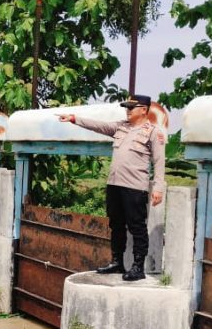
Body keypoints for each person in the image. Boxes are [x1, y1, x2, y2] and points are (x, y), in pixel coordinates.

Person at [57, 95, 165, 281]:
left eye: (132, 107)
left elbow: (159, 161)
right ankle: (117, 262)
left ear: (144, 110)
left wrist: (158, 188)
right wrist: (74, 118)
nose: (128, 110)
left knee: (137, 227)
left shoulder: (154, 132)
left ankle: (138, 267)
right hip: (114, 185)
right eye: (126, 107)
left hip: (134, 187)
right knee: (116, 225)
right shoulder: (120, 127)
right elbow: (98, 125)